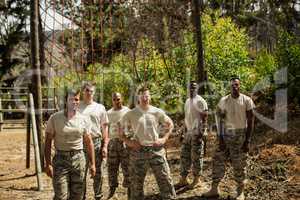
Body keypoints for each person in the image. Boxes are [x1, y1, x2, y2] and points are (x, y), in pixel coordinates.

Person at [118, 87, 176, 200]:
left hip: (156, 150)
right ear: (138, 98)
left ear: (150, 97)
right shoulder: (131, 113)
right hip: (138, 152)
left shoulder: (156, 111)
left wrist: (164, 139)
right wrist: (128, 141)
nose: (145, 98)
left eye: (147, 96)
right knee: (135, 185)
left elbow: (170, 124)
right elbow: (119, 127)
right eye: (142, 96)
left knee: (166, 181)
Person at [203, 77, 255, 200]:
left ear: (239, 86)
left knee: (239, 164)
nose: (234, 87)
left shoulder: (247, 100)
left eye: (236, 85)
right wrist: (220, 138)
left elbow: (251, 120)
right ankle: (214, 189)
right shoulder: (224, 100)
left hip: (240, 136)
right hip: (225, 135)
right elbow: (219, 119)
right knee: (218, 160)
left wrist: (247, 141)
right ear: (230, 87)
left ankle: (240, 192)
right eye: (232, 85)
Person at [45, 89, 96, 200]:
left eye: (76, 99)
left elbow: (88, 142)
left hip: (78, 159)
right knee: (61, 196)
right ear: (66, 101)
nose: (74, 102)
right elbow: (48, 141)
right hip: (60, 160)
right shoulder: (54, 118)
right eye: (71, 99)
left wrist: (93, 164)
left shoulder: (84, 119)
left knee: (77, 196)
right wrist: (48, 163)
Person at [79, 82, 109, 200]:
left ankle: (98, 196)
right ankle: (82, 197)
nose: (89, 93)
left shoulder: (100, 108)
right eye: (87, 90)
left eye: (91, 91)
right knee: (81, 173)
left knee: (98, 173)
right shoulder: (77, 106)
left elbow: (105, 127)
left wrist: (105, 145)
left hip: (96, 142)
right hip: (80, 143)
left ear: (94, 92)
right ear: (83, 91)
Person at [177, 81, 208, 188]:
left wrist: (201, 133)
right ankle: (183, 179)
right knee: (184, 155)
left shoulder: (200, 101)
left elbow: (204, 118)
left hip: (197, 132)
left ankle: (196, 180)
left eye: (194, 87)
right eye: (190, 87)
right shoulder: (187, 101)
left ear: (197, 88)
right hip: (188, 132)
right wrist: (182, 132)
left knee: (196, 156)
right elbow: (186, 119)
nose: (192, 89)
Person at [107, 92, 130, 198]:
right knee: (112, 168)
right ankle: (112, 191)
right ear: (112, 100)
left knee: (128, 167)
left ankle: (130, 190)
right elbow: (106, 128)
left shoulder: (127, 111)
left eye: (118, 99)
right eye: (115, 99)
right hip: (112, 142)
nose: (117, 101)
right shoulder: (108, 113)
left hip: (125, 142)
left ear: (122, 99)